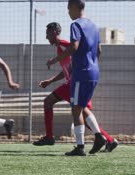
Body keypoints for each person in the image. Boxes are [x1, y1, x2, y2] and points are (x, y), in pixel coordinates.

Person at [34, 22, 118, 153]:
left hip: (76, 82)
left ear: (55, 33)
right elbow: (67, 70)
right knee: (82, 114)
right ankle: (108, 140)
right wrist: (50, 81)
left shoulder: (65, 45)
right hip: (72, 83)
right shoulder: (60, 48)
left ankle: (52, 138)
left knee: (71, 110)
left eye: (48, 34)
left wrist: (89, 65)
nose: (46, 37)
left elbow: (79, 49)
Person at [46, 0, 106, 156]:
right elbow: (99, 50)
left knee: (76, 109)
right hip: (93, 71)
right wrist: (90, 63)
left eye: (68, 8)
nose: (67, 12)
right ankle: (99, 137)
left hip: (81, 73)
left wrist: (55, 60)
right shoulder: (93, 25)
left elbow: (74, 47)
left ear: (75, 7)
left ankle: (80, 147)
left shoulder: (76, 25)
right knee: (83, 106)